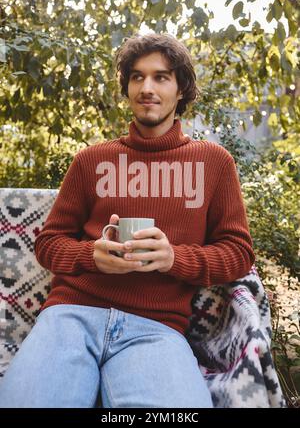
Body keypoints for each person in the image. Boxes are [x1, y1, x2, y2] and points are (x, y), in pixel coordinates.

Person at [0, 33, 255, 408]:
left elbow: (238, 253)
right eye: (137, 77)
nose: (146, 87)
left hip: (157, 329)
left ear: (181, 88)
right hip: (71, 316)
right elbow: (48, 243)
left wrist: (174, 259)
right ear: (127, 87)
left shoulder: (214, 164)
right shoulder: (90, 160)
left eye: (161, 77)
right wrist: (91, 257)